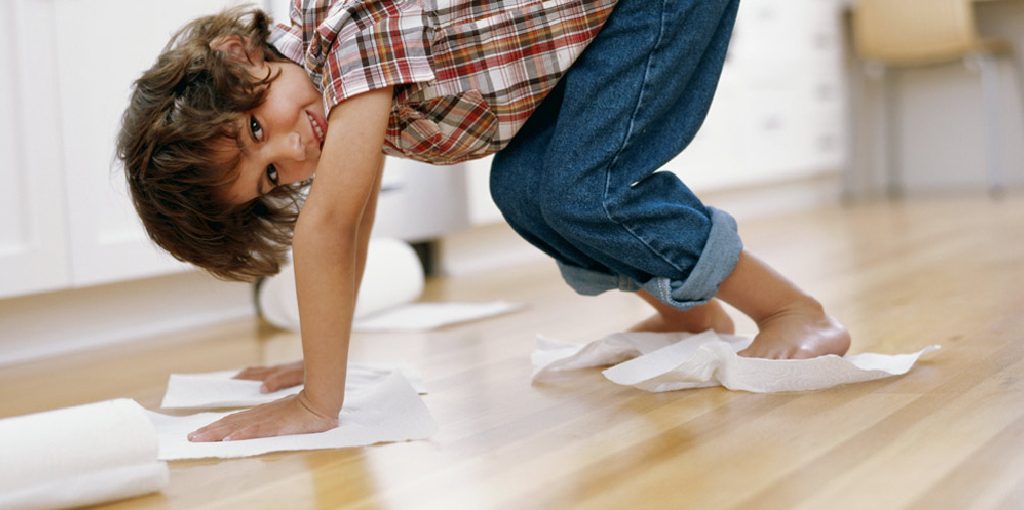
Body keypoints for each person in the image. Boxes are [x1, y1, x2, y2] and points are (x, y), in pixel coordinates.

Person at [117, 0, 850, 443]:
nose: (290, 147)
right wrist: (319, 360)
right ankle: (693, 314)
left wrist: (318, 403)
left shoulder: (342, 36)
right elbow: (357, 216)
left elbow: (332, 227)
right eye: (271, 175)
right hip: (609, 22)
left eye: (254, 127)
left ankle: (792, 310)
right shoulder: (329, 93)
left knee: (579, 189)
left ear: (239, 54)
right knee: (527, 186)